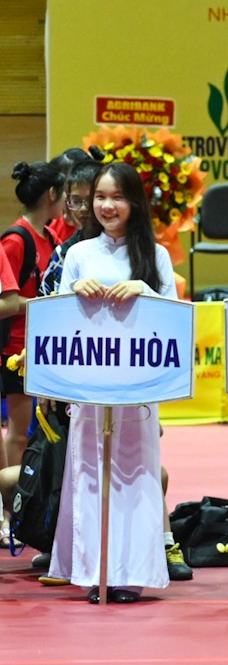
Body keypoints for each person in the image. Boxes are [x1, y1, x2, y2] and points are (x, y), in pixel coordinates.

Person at [42, 161, 174, 603]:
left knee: (134, 477)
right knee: (89, 475)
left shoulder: (155, 256)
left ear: (134, 202)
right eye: (100, 197)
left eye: (116, 197)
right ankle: (93, 570)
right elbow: (57, 320)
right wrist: (73, 294)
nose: (106, 205)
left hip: (137, 390)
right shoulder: (77, 254)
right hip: (89, 389)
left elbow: (175, 319)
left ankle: (129, 574)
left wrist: (144, 290)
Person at [2, 158, 62, 467]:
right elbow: (8, 300)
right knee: (19, 433)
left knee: (41, 431)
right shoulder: (16, 240)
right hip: (16, 349)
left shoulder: (51, 237)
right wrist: (47, 303)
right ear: (53, 194)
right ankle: (13, 505)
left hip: (43, 345)